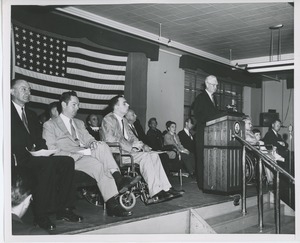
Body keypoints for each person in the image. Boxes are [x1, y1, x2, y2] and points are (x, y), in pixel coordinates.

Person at [43, 91, 141, 217]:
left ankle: (113, 201)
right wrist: (77, 153)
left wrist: (93, 143)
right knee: (99, 161)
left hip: (84, 157)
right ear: (64, 104)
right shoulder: (50, 125)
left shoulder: (79, 123)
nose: (77, 108)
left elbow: (88, 138)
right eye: (74, 105)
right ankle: (118, 180)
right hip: (67, 160)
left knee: (101, 149)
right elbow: (51, 149)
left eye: (78, 105)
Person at [11, 79, 82, 232]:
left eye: (29, 89)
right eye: (23, 89)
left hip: (34, 156)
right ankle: (41, 215)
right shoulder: (5, 112)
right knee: (46, 165)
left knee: (67, 161)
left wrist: (44, 150)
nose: (28, 92)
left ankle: (64, 209)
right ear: (11, 91)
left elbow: (39, 139)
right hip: (16, 157)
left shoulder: (30, 114)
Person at [102, 95, 182, 203]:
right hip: (117, 155)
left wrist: (142, 145)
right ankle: (156, 192)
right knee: (145, 157)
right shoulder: (108, 119)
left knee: (153, 154)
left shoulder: (124, 121)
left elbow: (132, 137)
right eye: (124, 103)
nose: (128, 105)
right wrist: (131, 146)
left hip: (129, 153)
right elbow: (109, 139)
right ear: (116, 107)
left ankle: (167, 188)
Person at [193, 75, 220, 189]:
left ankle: (211, 183)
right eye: (213, 85)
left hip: (212, 134)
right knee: (202, 159)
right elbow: (197, 116)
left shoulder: (214, 98)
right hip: (203, 134)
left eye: (216, 85)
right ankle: (202, 184)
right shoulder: (200, 98)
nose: (215, 87)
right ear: (207, 84)